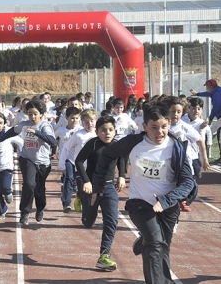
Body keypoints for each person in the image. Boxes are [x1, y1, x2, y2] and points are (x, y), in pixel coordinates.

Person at [92, 102, 196, 284]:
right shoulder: (133, 143)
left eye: (164, 127)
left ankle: (143, 242)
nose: (160, 132)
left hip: (168, 205)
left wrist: (167, 200)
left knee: (162, 246)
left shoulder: (176, 148)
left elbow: (188, 182)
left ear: (169, 124)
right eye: (154, 128)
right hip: (140, 203)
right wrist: (98, 186)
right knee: (156, 244)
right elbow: (107, 155)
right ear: (145, 126)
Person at [0, 100, 56, 225]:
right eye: (29, 114)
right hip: (27, 158)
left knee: (39, 188)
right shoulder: (24, 124)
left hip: (43, 162)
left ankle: (40, 208)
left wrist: (37, 132)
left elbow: (53, 141)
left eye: (35, 114)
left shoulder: (45, 126)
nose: (32, 117)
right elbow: (12, 131)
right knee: (29, 184)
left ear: (41, 114)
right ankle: (25, 212)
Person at [75, 115, 125, 271]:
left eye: (110, 130)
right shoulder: (93, 144)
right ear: (97, 132)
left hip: (109, 187)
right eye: (103, 130)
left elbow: (123, 159)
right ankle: (81, 199)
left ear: (115, 131)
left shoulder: (117, 145)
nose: (107, 133)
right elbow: (78, 161)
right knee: (88, 221)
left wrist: (122, 176)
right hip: (91, 188)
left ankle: (104, 256)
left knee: (111, 221)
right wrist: (86, 181)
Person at [57, 109, 97, 212]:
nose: (90, 124)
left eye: (92, 121)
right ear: (82, 122)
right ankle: (68, 203)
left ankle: (79, 199)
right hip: (77, 164)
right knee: (75, 182)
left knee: (83, 189)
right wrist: (61, 165)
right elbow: (66, 147)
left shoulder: (98, 134)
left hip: (91, 167)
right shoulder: (78, 134)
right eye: (86, 122)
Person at [190, 79, 221, 161]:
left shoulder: (217, 93)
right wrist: (197, 94)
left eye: (207, 86)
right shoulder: (215, 91)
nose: (207, 88)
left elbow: (216, 108)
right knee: (218, 135)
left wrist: (210, 118)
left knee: (211, 130)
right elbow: (207, 93)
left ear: (211, 86)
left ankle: (205, 145)